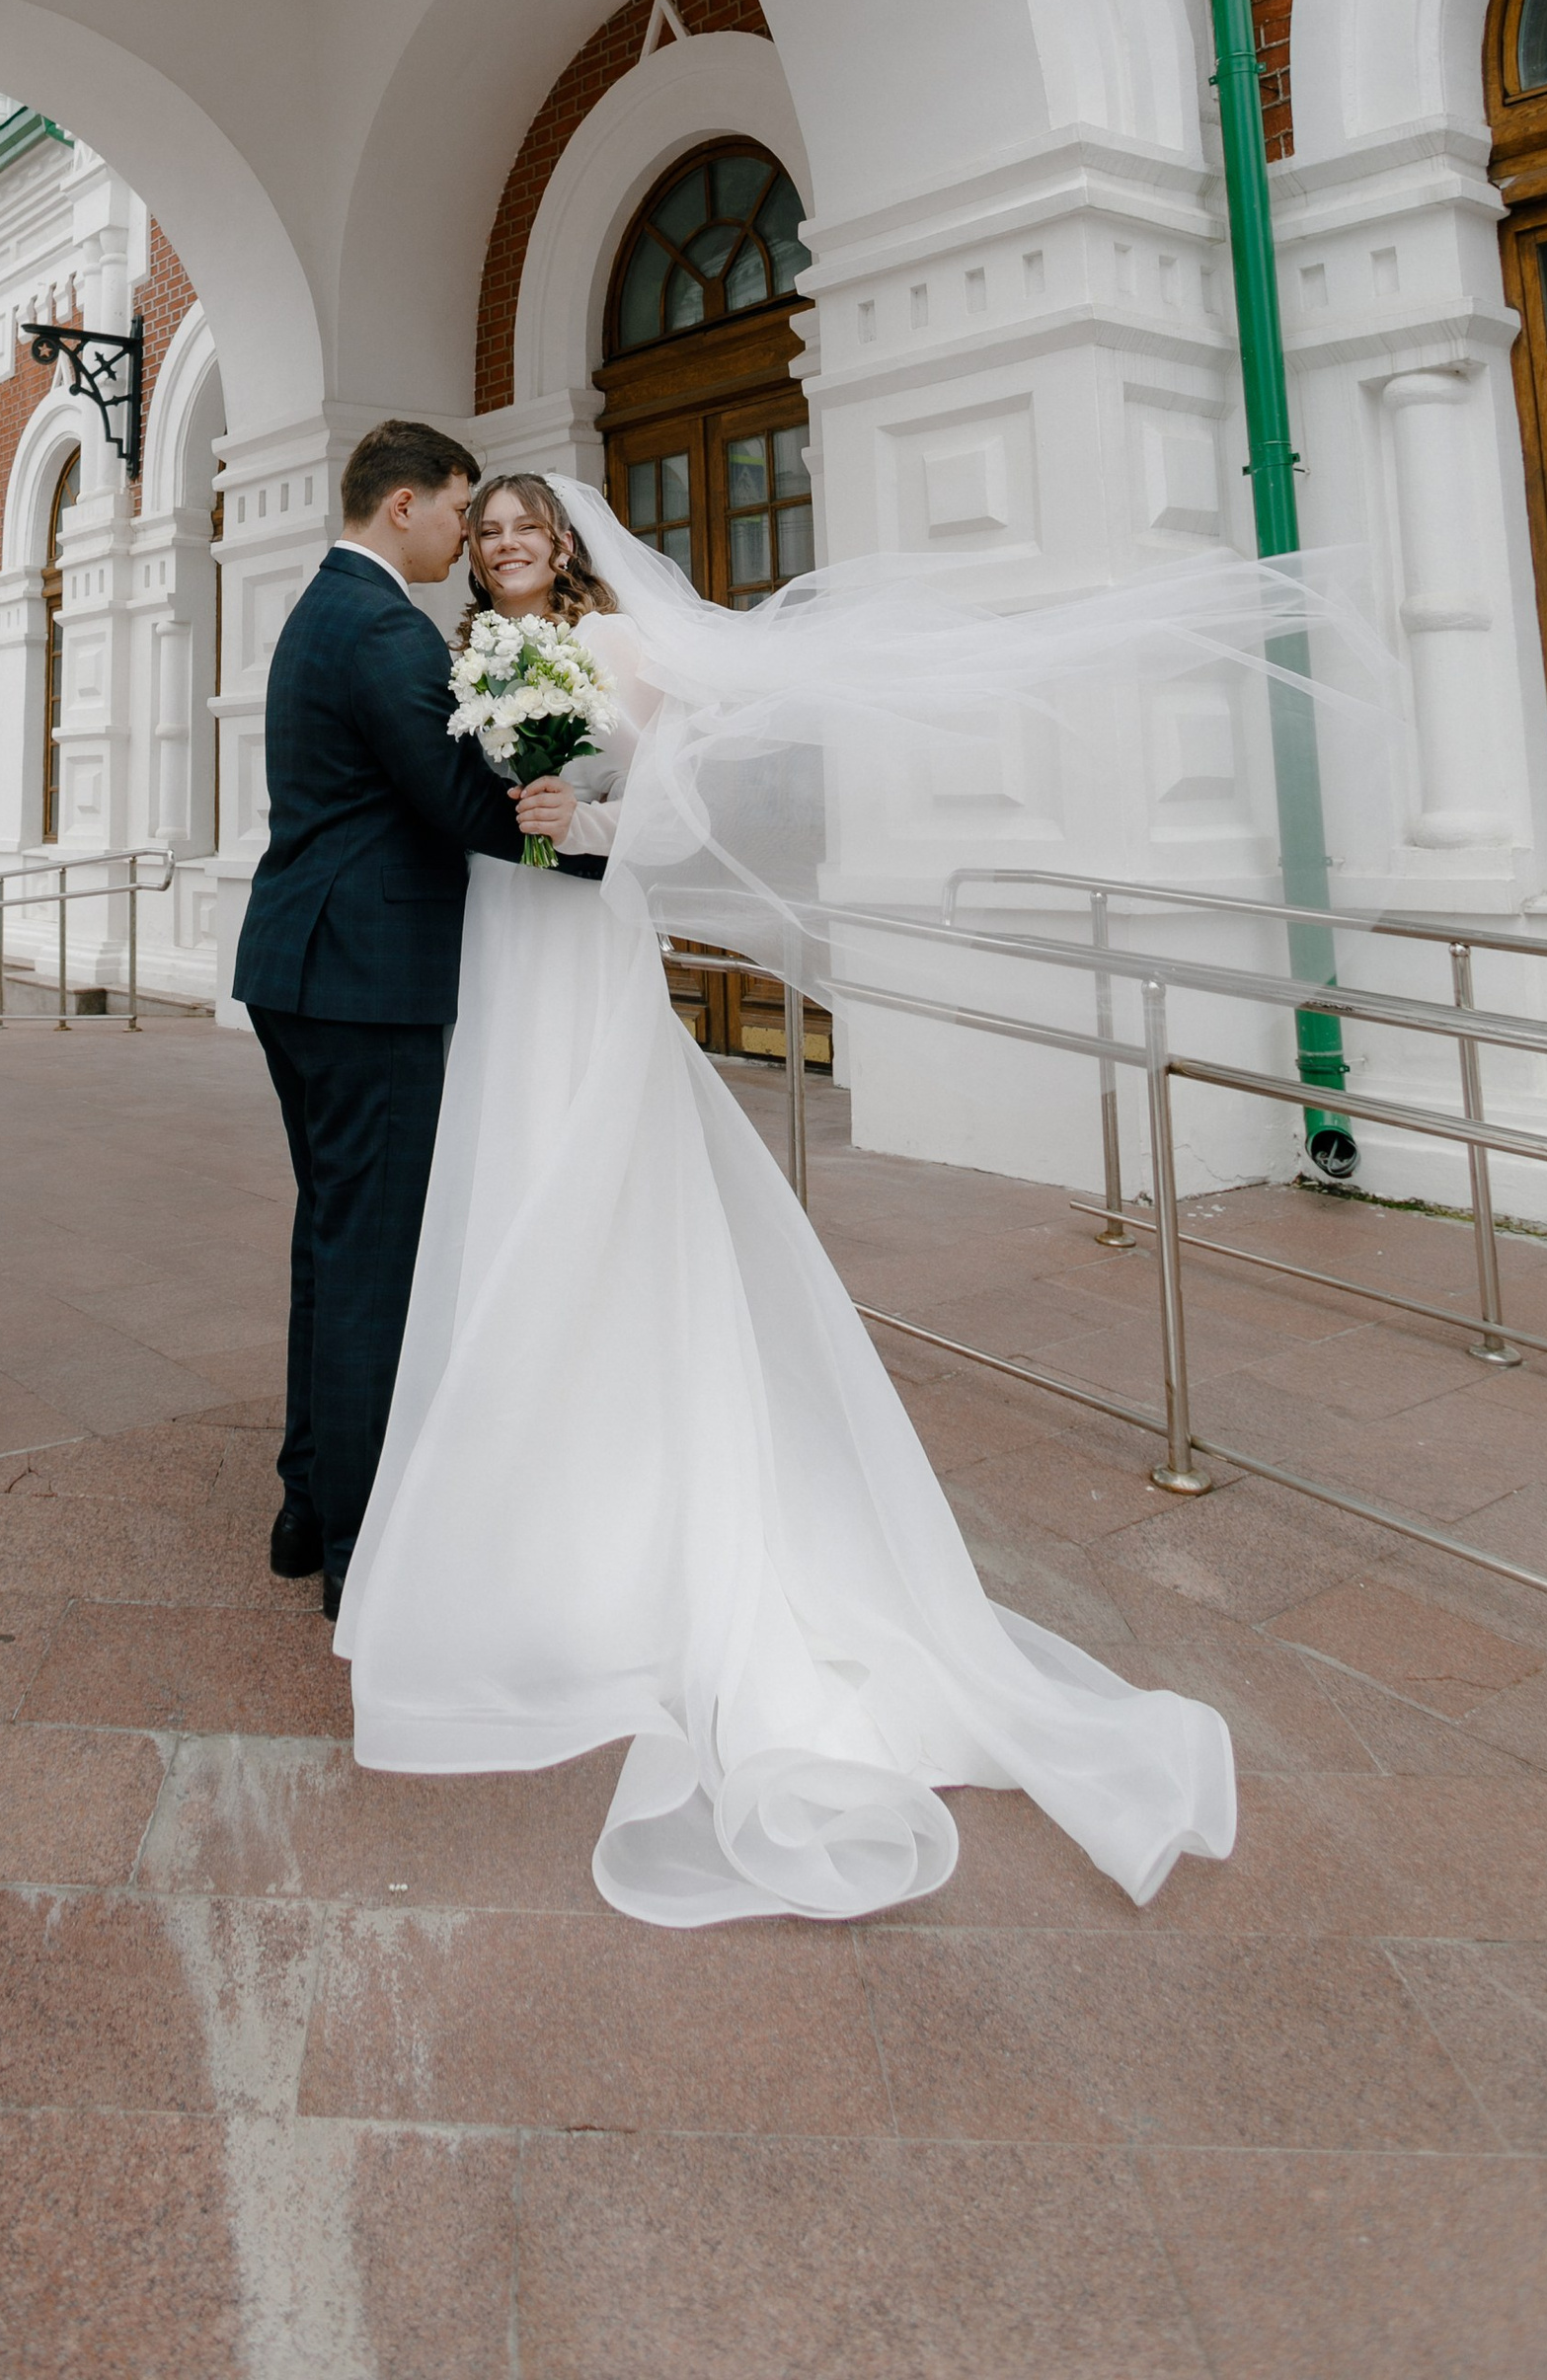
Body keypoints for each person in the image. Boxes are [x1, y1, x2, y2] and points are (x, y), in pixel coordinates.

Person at [333, 468, 1263, 1928]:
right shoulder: (461, 658)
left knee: (594, 1185)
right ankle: (516, 1490)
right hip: (497, 950)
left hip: (579, 948)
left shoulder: (624, 649)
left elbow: (671, 811)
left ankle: (622, 1500)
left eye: (527, 532)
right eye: (492, 532)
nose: (506, 547)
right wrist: (513, 814)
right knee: (503, 1188)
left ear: (562, 546)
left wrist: (581, 814)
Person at [232, 422, 601, 1618]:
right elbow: (455, 802)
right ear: (403, 506)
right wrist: (579, 839)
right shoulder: (384, 624)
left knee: (329, 1243)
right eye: (456, 511)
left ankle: (305, 1504)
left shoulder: (318, 608)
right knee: (368, 1258)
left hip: (305, 967)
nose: (465, 533)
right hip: (364, 981)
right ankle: (355, 1544)